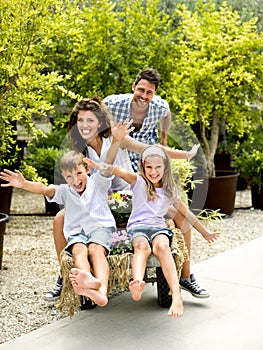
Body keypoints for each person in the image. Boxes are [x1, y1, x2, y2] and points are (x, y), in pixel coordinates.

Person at [44, 96, 199, 302]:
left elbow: (150, 150)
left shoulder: (118, 139)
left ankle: (186, 276)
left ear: (100, 122)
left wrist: (185, 155)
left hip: (130, 197)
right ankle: (65, 277)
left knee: (181, 212)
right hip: (99, 203)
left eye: (90, 120)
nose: (84, 125)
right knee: (59, 219)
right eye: (80, 121)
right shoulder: (78, 151)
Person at [104, 68, 209, 299]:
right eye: (140, 89)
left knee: (179, 212)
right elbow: (97, 116)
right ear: (133, 87)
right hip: (126, 170)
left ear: (154, 94)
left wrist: (163, 138)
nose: (143, 95)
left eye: (149, 92)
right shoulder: (113, 103)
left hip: (150, 169)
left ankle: (186, 276)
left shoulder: (159, 106)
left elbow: (167, 113)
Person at [80, 144, 219, 317]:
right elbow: (116, 170)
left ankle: (176, 295)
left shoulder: (169, 191)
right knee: (142, 248)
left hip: (158, 227)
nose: (153, 171)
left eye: (158, 167)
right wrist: (97, 166)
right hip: (137, 228)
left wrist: (204, 232)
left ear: (165, 167)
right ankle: (137, 282)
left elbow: (186, 213)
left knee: (162, 247)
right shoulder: (137, 181)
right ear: (143, 167)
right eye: (149, 167)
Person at [0, 150, 127, 307]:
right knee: (79, 251)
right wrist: (24, 184)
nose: (75, 180)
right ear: (63, 176)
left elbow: (108, 166)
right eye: (69, 177)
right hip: (77, 233)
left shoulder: (98, 183)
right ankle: (88, 281)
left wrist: (114, 144)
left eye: (79, 173)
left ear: (87, 169)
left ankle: (101, 290)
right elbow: (44, 189)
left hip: (100, 228)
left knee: (96, 250)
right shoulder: (64, 191)